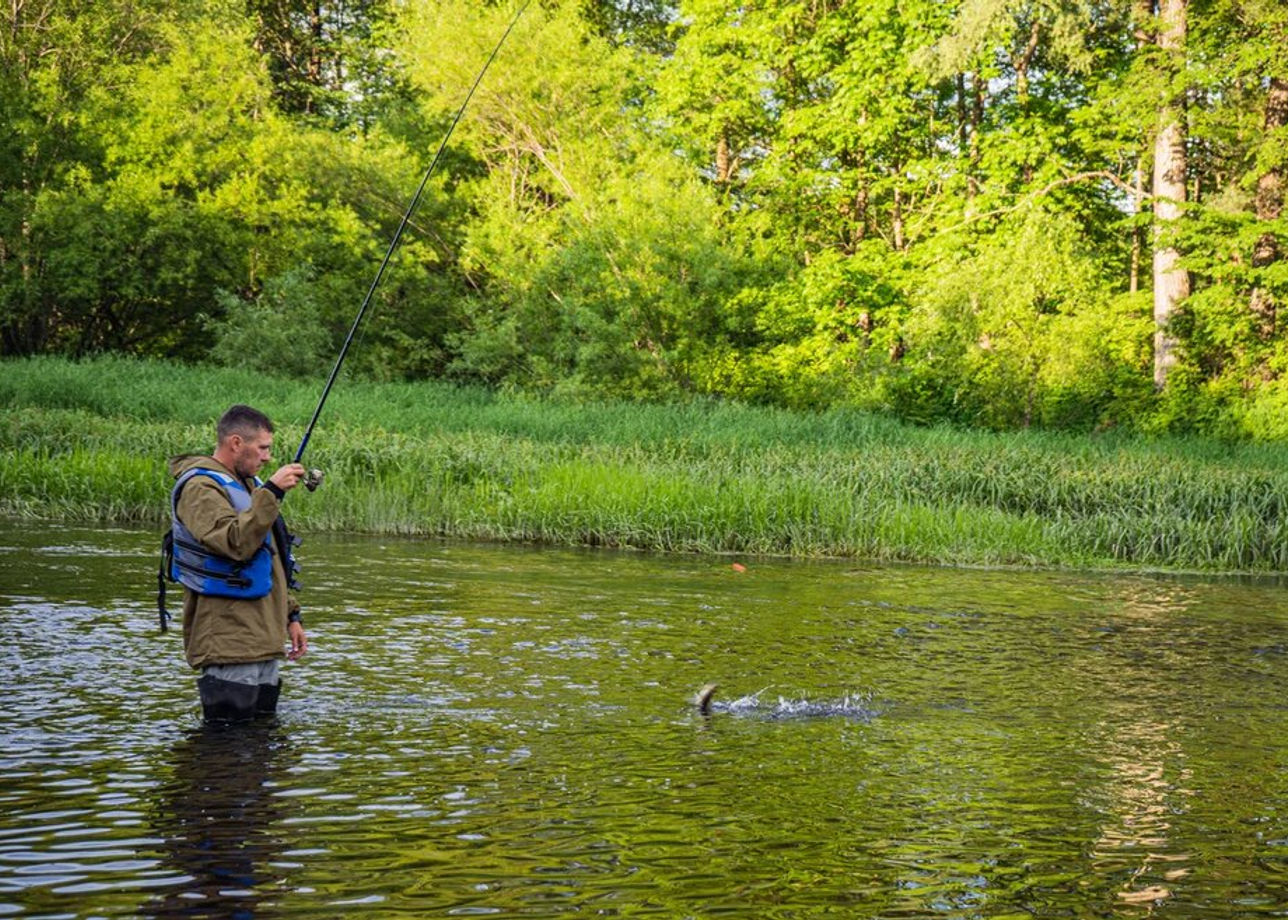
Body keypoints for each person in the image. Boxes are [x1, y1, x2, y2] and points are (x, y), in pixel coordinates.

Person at [167, 404, 309, 722]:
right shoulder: (200, 488)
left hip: (263, 635)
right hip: (228, 639)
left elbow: (272, 558)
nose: (268, 457)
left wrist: (291, 616)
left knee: (261, 738)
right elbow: (234, 543)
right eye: (262, 448)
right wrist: (271, 491)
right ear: (235, 443)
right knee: (226, 742)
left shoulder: (249, 486)